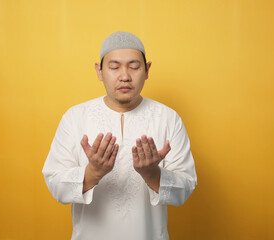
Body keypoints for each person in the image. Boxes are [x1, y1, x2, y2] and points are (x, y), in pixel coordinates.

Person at [42, 31, 197, 240]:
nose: (125, 76)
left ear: (147, 69)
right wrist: (93, 172)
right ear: (99, 70)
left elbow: (186, 187)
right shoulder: (75, 117)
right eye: (114, 67)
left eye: (134, 66)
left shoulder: (168, 118)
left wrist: (152, 174)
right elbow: (55, 182)